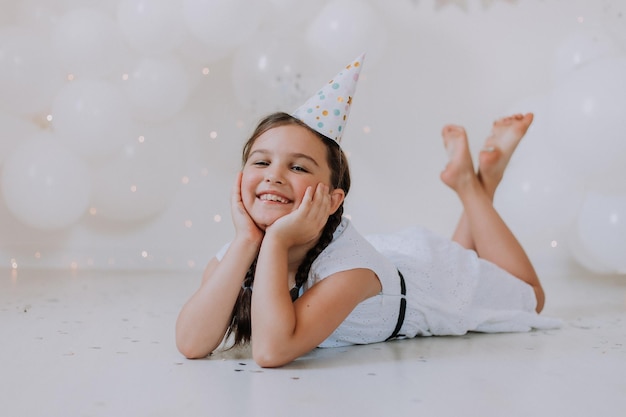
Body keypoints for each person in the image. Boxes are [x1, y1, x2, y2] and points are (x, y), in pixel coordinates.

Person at [175, 54, 560, 368]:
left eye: (298, 167)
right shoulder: (236, 255)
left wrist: (275, 240)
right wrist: (247, 240)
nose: (274, 176)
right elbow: (192, 343)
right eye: (261, 162)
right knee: (461, 256)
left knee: (531, 297)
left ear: (332, 200)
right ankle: (478, 181)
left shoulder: (351, 273)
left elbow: (272, 351)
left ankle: (472, 186)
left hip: (429, 277)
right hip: (403, 258)